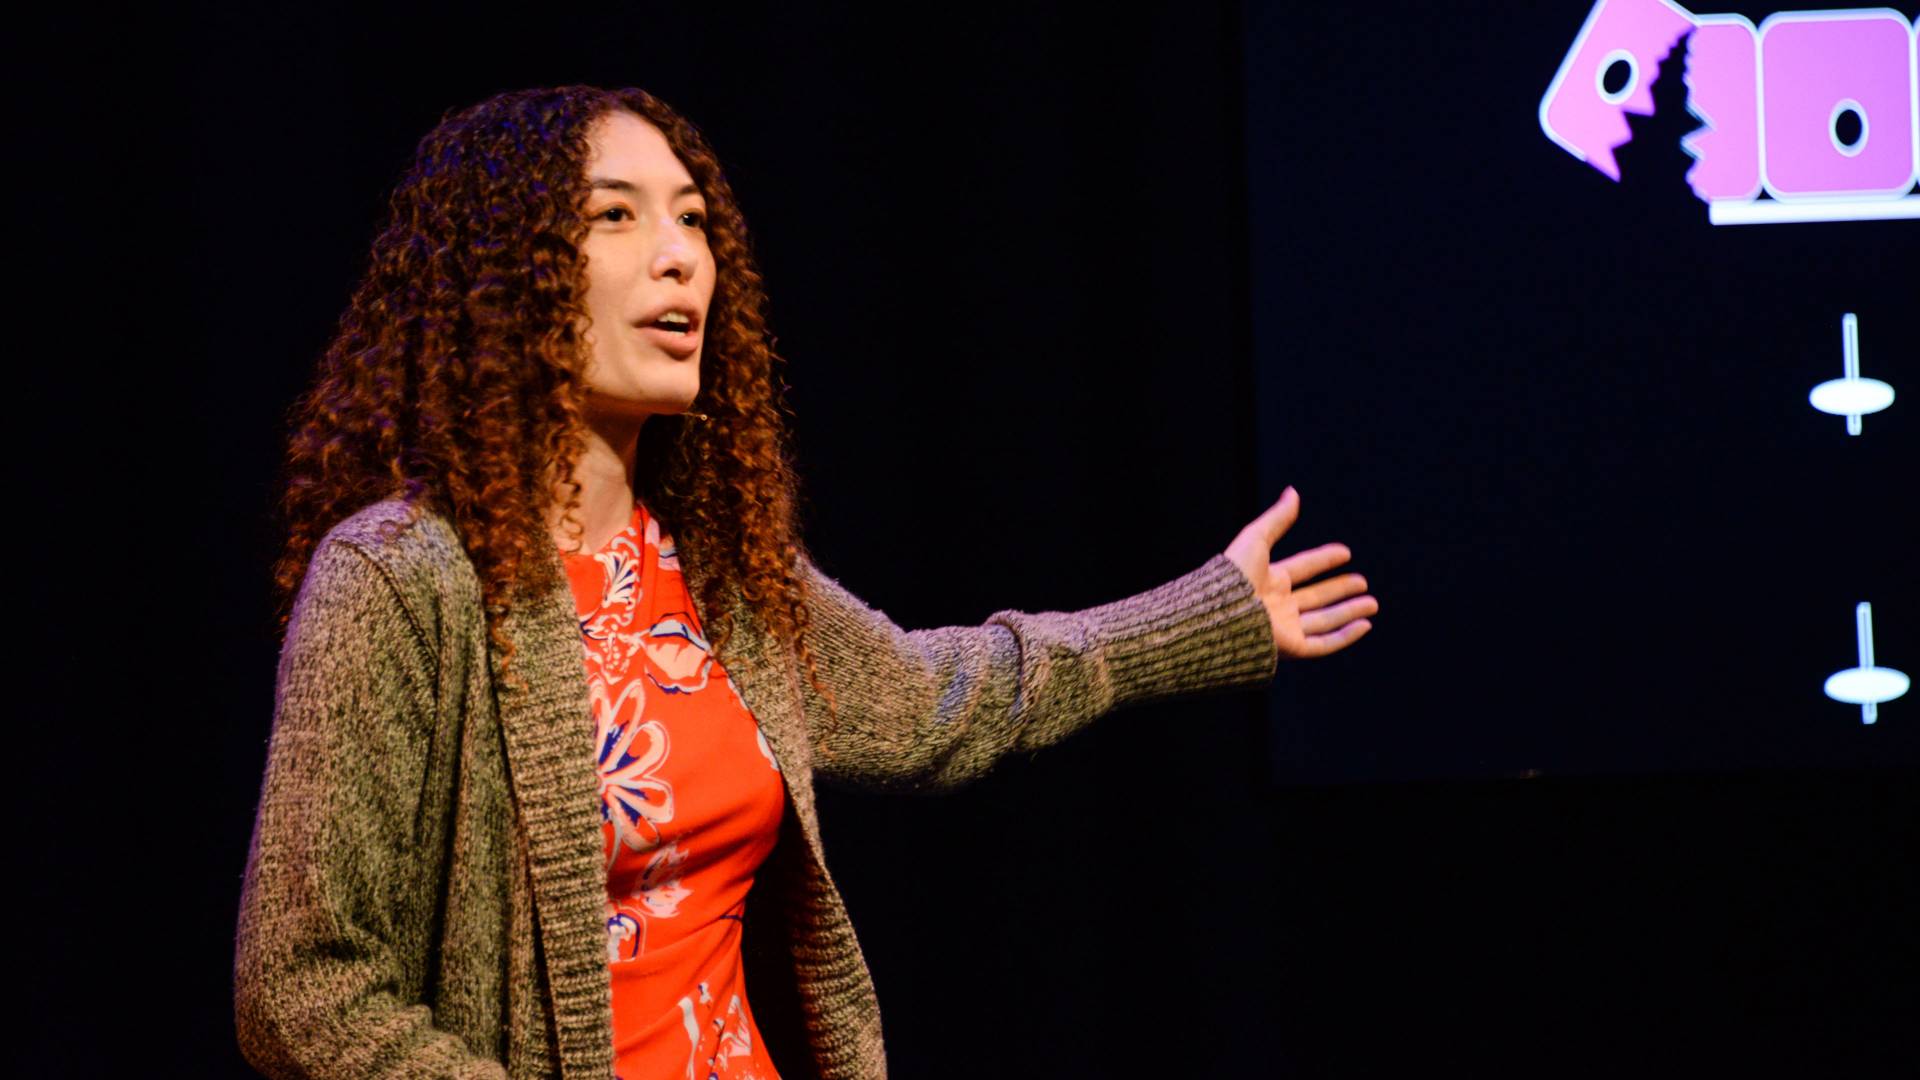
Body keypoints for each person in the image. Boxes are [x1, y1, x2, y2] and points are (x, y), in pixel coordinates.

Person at [233, 85, 1377, 1080]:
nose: (679, 254)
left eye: (692, 218)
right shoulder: (398, 580)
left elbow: (944, 701)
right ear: (500, 278)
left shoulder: (716, 574)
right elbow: (303, 990)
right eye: (613, 218)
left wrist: (1210, 614)